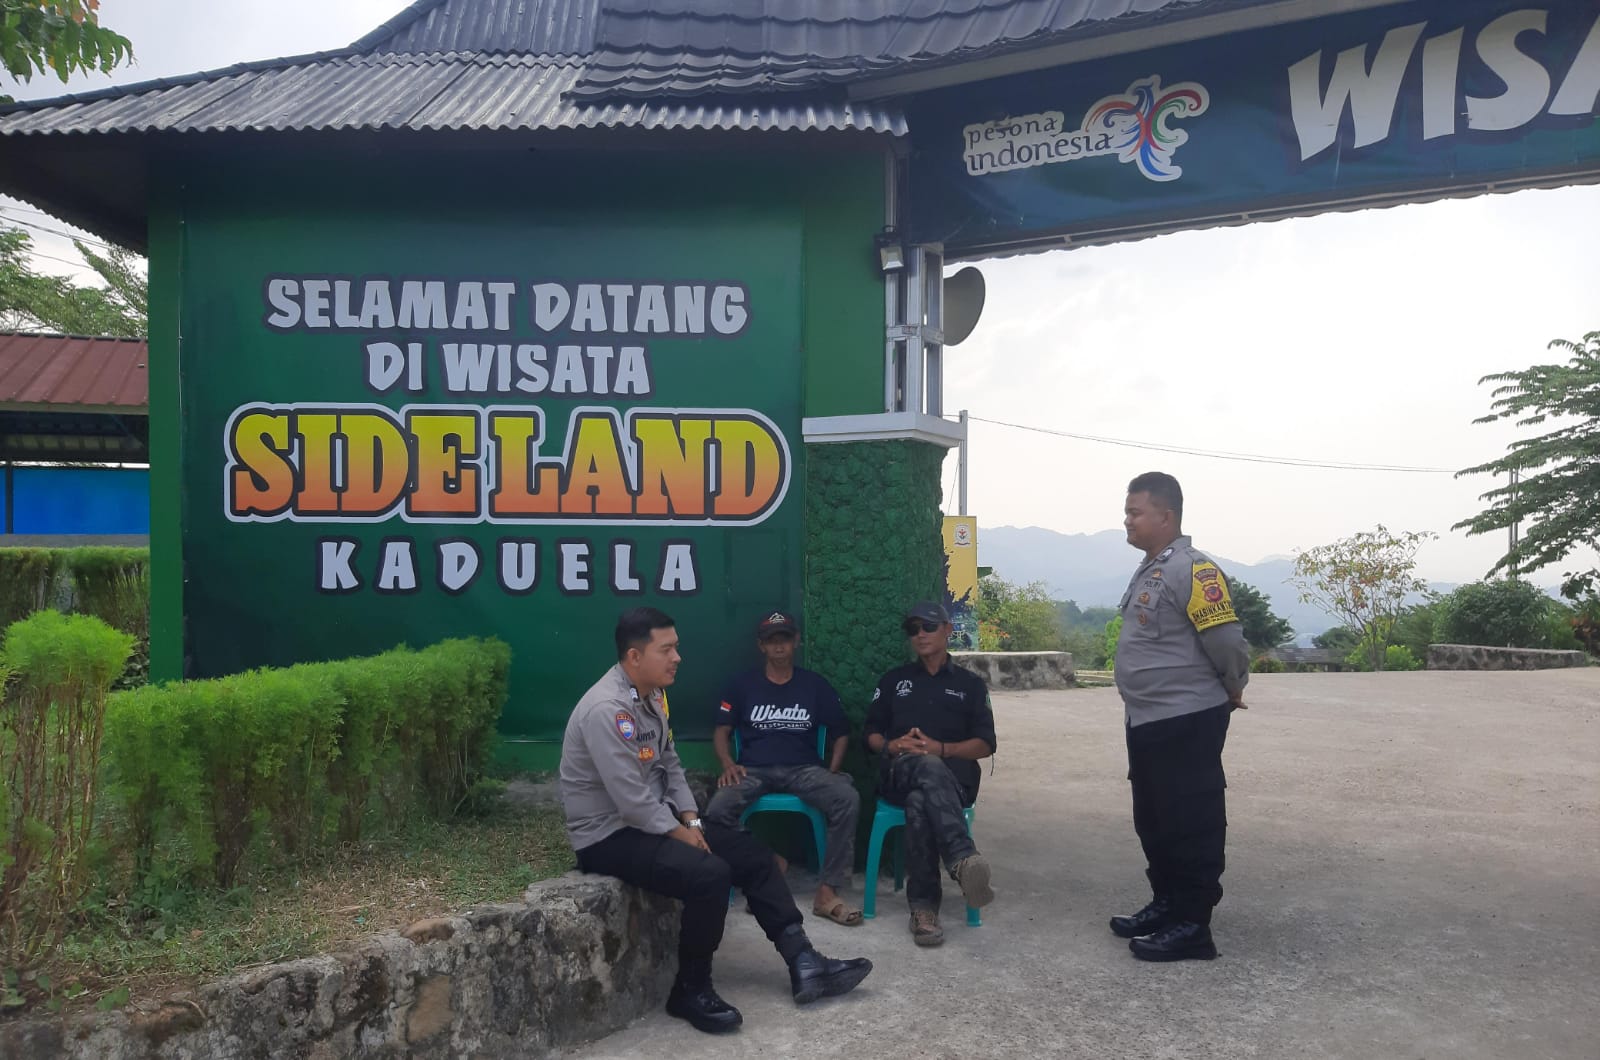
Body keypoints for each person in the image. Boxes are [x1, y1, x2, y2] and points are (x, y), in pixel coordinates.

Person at [560, 607, 873, 1034]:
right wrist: (681, 834)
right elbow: (631, 802)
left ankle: (804, 960)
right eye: (667, 649)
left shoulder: (650, 696)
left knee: (753, 855)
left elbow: (670, 765)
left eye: (677, 647)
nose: (678, 657)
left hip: (651, 822)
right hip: (608, 835)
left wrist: (691, 821)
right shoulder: (606, 710)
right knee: (709, 874)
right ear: (635, 657)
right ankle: (691, 989)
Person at [1111, 471, 1249, 962]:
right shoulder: (1153, 567)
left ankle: (1193, 924)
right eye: (1127, 512)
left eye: (1135, 512)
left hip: (1186, 718)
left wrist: (1234, 684)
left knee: (1190, 819)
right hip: (1148, 719)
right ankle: (1167, 903)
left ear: (1166, 516)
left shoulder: (1194, 570)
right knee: (1154, 818)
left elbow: (1226, 640)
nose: (1127, 521)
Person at [705, 610, 863, 926]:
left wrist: (832, 770)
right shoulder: (741, 685)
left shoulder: (814, 685)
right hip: (752, 770)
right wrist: (728, 763)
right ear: (761, 645)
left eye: (785, 639)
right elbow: (722, 731)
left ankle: (827, 892)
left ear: (796, 642)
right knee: (716, 810)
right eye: (771, 640)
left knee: (847, 798)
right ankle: (767, 863)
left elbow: (841, 732)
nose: (779, 646)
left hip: (804, 769)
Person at [864, 601, 997, 948]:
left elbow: (986, 744)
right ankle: (961, 858)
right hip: (900, 772)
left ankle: (924, 910)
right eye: (913, 629)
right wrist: (893, 745)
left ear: (948, 630)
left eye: (928, 626)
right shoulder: (894, 681)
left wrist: (942, 749)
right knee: (924, 766)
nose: (920, 634)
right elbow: (870, 735)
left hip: (955, 783)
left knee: (920, 800)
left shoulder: (970, 685)